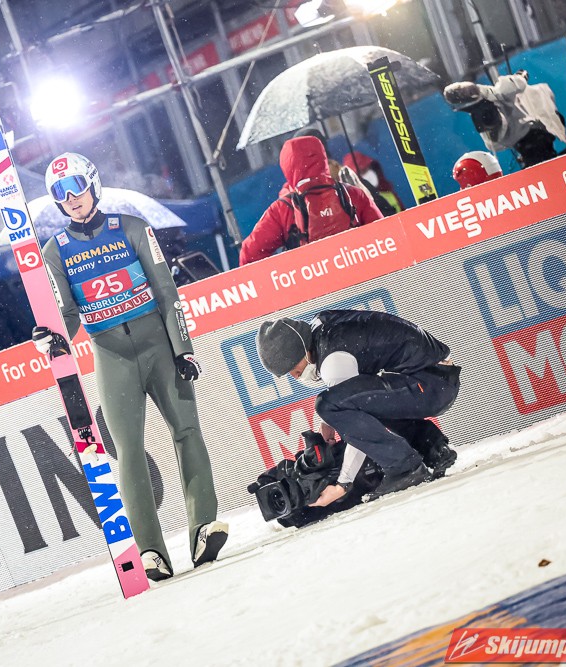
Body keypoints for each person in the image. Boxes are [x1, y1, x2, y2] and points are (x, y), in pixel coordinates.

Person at [35, 152, 227, 581]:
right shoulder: (55, 251)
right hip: (111, 355)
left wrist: (183, 348)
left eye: (76, 187)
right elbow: (67, 315)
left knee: (187, 431)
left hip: (158, 344)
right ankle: (151, 550)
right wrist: (53, 336)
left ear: (92, 185)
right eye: (60, 193)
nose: (71, 198)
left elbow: (167, 291)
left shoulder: (132, 228)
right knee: (128, 451)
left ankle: (203, 526)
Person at [255, 310, 459, 506]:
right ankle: (432, 448)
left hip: (431, 386)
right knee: (358, 398)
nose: (295, 376)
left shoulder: (333, 360)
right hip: (435, 375)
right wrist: (328, 424)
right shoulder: (321, 328)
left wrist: (342, 484)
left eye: (293, 368)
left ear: (301, 350)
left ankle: (405, 468)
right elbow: (358, 395)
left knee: (327, 404)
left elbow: (356, 415)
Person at [239, 134, 383, 266]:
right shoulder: (352, 193)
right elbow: (383, 234)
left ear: (287, 165)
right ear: (322, 157)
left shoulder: (282, 209)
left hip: (312, 279)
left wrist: (286, 273)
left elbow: (249, 255)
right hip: (360, 270)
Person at [443, 70, 566, 167]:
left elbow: (516, 84)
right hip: (525, 145)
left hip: (536, 137)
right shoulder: (480, 114)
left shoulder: (500, 93)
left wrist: (519, 77)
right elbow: (494, 145)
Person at [341, 150, 404, 215]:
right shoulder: (355, 206)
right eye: (361, 173)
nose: (367, 174)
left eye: (367, 169)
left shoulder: (387, 191)